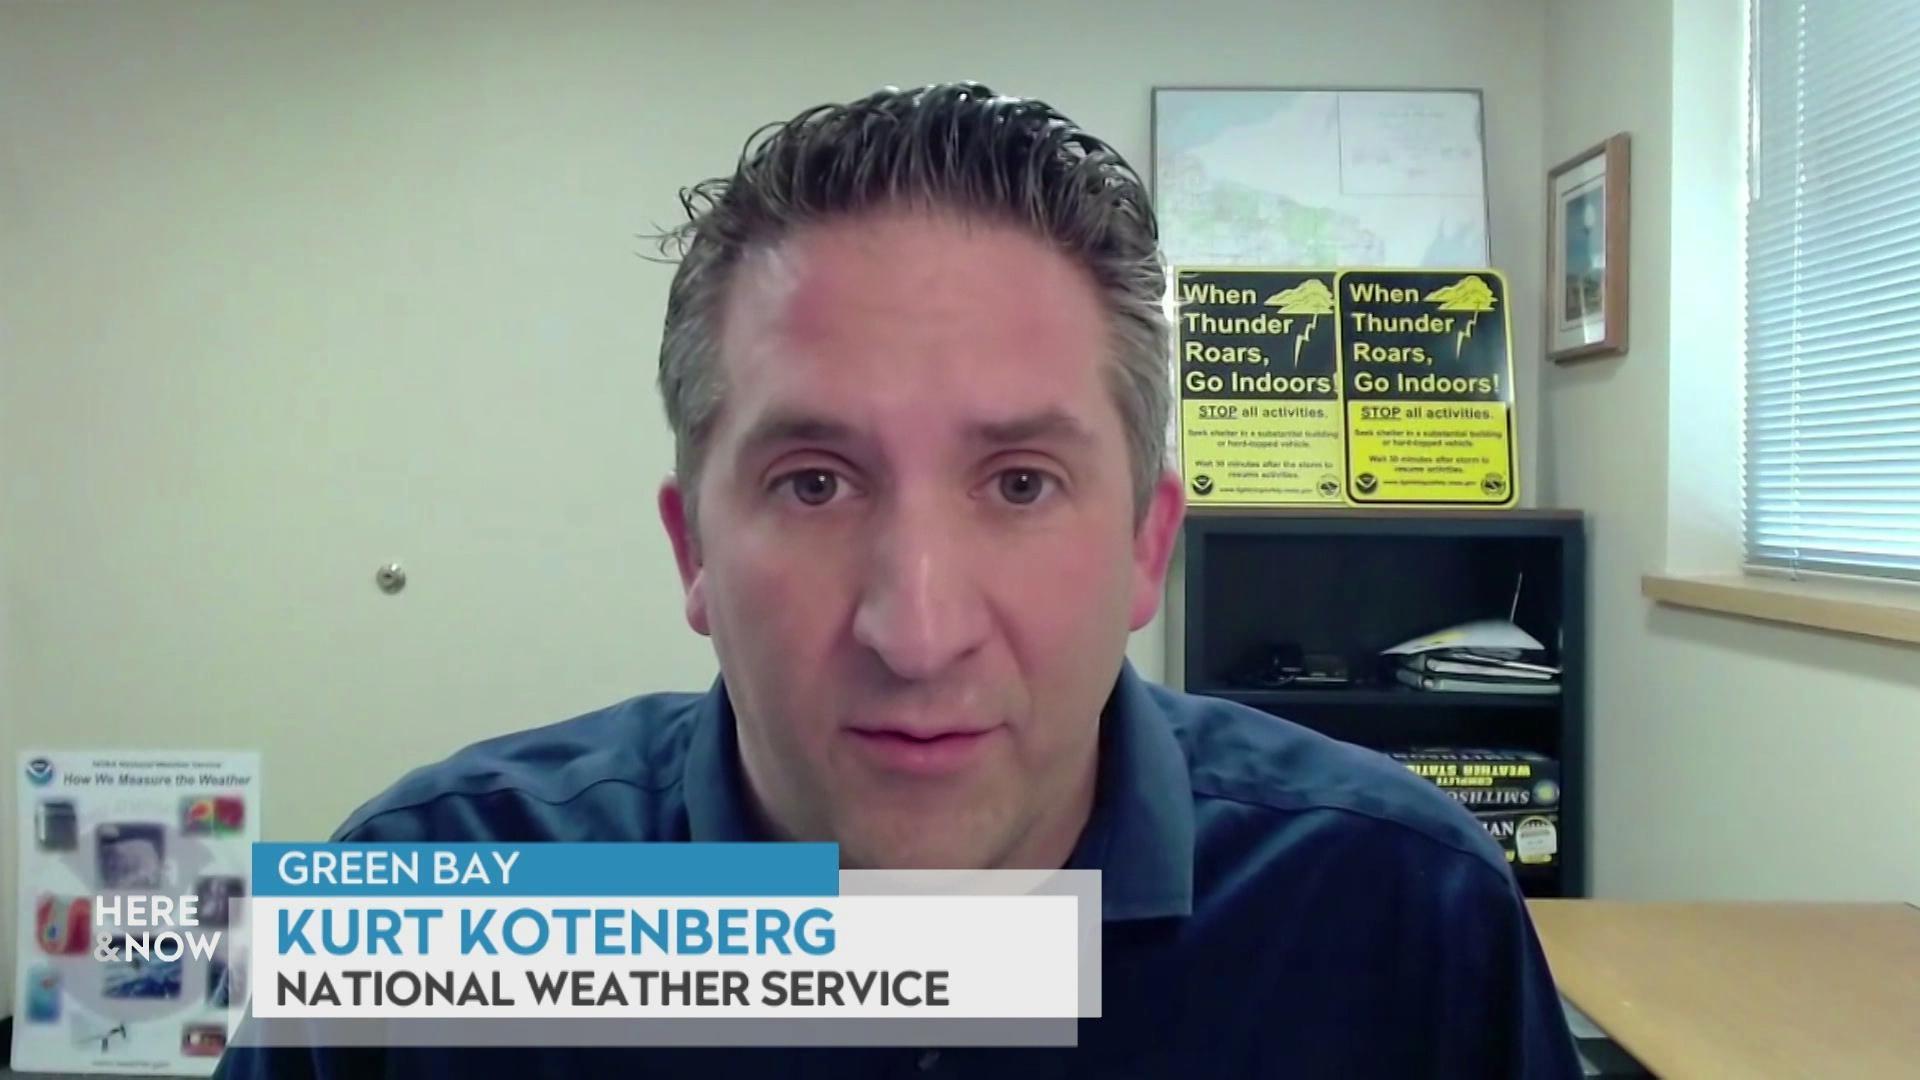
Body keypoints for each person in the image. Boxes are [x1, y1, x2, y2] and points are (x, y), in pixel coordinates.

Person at [216, 82, 1580, 1079]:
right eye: (814, 482)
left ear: (1146, 546)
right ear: (693, 547)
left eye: (1021, 485)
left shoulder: (1402, 917)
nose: (917, 632)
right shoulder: (432, 898)